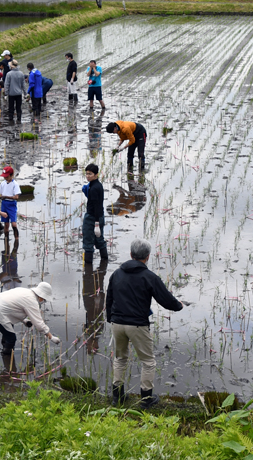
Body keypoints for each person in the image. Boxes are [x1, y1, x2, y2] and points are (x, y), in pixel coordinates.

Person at [106, 239, 185, 407]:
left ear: (130, 254)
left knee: (120, 358)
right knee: (148, 362)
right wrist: (179, 305)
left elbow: (109, 298)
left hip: (117, 323)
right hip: (137, 325)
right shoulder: (149, 277)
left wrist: (109, 318)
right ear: (148, 257)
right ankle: (146, 399)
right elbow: (165, 299)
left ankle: (117, 397)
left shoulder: (116, 274)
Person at [0, 282, 61, 366]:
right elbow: (39, 324)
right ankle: (7, 358)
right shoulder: (31, 301)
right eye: (44, 299)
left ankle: (5, 350)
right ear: (41, 296)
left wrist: (24, 320)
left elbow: (13, 308)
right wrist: (51, 337)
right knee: (11, 338)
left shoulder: (25, 291)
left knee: (8, 332)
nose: (44, 301)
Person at [82, 163, 108, 264]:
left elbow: (96, 206)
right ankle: (104, 263)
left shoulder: (93, 188)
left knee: (88, 242)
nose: (88, 176)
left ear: (96, 175)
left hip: (92, 218)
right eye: (87, 174)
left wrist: (96, 224)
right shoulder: (97, 185)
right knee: (99, 240)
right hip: (100, 216)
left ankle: (88, 269)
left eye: (90, 174)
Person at [0, 166, 21, 238]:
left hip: (11, 204)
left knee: (14, 224)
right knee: (6, 224)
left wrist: (6, 197)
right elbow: (1, 194)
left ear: (11, 175)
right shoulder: (3, 183)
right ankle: (6, 239)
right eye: (4, 177)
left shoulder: (15, 184)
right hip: (4, 204)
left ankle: (16, 239)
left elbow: (16, 197)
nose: (5, 178)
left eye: (7, 176)